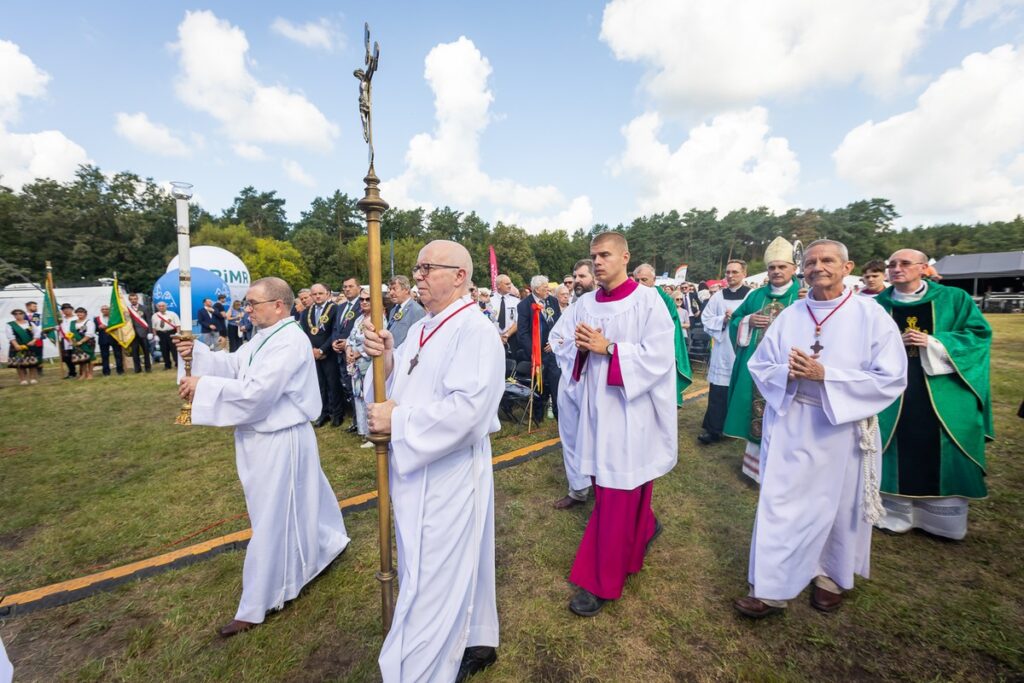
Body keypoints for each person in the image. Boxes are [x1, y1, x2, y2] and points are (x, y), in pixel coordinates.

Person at [733, 240, 907, 619]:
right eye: (810, 262)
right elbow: (761, 365)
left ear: (848, 267)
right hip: (793, 421)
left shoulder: (871, 316)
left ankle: (830, 576)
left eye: (827, 260)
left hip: (843, 427)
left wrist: (827, 376)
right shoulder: (791, 315)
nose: (817, 267)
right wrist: (788, 374)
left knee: (841, 506)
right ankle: (771, 587)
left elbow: (892, 377)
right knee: (781, 505)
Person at [174, 277, 350, 637]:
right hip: (263, 435)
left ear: (279, 305)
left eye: (254, 303)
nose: (247, 309)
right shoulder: (265, 336)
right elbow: (240, 365)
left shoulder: (289, 341)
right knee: (299, 502)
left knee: (271, 516)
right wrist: (199, 356)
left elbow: (258, 392)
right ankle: (321, 548)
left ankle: (257, 602)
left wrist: (203, 386)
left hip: (279, 436)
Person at [363, 240, 503, 683]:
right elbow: (402, 384)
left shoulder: (474, 330)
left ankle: (426, 668)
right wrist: (386, 356)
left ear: (460, 276)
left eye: (428, 268)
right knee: (452, 563)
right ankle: (477, 636)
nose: (417, 276)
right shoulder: (426, 327)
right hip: (421, 468)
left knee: (435, 576)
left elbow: (471, 412)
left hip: (450, 472)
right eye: (416, 268)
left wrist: (399, 421)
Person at [551, 232, 676, 617]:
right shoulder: (584, 303)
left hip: (629, 412)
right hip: (596, 410)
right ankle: (644, 529)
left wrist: (609, 349)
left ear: (625, 256)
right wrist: (579, 344)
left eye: (604, 255)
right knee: (613, 488)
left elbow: (659, 356)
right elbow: (559, 340)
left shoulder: (648, 301)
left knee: (620, 489)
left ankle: (600, 579)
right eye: (593, 256)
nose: (597, 262)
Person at [874, 249, 993, 540]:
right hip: (893, 392)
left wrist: (935, 342)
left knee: (945, 444)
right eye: (892, 265)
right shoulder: (876, 305)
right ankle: (894, 515)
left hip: (943, 389)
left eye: (904, 264)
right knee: (892, 445)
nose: (896, 269)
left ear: (923, 268)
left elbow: (979, 336)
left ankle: (942, 523)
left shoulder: (954, 299)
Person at [723, 237, 803, 483]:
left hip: (787, 367)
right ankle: (755, 469)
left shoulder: (802, 295)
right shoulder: (756, 296)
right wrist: (748, 322)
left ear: (793, 269)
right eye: (772, 267)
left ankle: (783, 470)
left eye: (782, 267)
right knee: (755, 412)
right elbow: (735, 320)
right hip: (757, 368)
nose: (776, 271)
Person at [548, 259, 597, 509]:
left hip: (597, 381)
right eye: (574, 277)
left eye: (582, 276)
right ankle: (577, 489)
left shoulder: (606, 307)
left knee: (598, 435)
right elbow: (555, 337)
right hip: (570, 378)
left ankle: (604, 486)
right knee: (569, 433)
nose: (576, 281)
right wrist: (574, 347)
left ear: (595, 277)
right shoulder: (572, 308)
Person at [698, 262, 751, 444]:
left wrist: (741, 319)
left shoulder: (751, 296)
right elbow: (706, 318)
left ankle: (736, 429)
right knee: (718, 391)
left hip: (742, 348)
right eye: (727, 272)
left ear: (744, 273)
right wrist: (724, 319)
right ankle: (714, 429)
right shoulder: (718, 296)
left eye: (735, 272)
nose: (730, 275)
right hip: (722, 348)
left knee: (739, 390)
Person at [634, 263, 692, 407]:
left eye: (644, 280)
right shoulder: (632, 297)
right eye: (637, 280)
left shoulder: (664, 300)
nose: (640, 284)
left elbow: (671, 329)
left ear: (654, 281)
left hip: (659, 353)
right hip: (636, 353)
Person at [516, 275, 561, 422]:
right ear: (536, 290)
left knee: (556, 383)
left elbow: (560, 324)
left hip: (553, 352)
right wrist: (534, 352)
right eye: (544, 288)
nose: (548, 290)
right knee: (539, 386)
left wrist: (554, 342)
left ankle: (559, 414)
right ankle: (538, 416)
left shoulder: (553, 301)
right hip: (536, 354)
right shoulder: (524, 305)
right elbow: (522, 333)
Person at [302, 283, 342, 428]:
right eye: (315, 294)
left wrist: (322, 350)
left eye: (320, 293)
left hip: (329, 353)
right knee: (319, 385)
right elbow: (304, 334)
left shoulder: (335, 309)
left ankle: (337, 414)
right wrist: (312, 350)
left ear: (327, 294)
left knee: (333, 384)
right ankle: (322, 413)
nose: (317, 296)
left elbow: (335, 331)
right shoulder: (306, 312)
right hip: (313, 354)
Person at [331, 277, 362, 430]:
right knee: (348, 388)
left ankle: (360, 422)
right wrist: (334, 342)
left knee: (358, 389)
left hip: (356, 353)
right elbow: (336, 327)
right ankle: (356, 421)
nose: (347, 289)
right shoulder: (341, 307)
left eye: (350, 286)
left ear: (358, 287)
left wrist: (347, 343)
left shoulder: (363, 304)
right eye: (345, 287)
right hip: (341, 354)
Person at [345, 289, 374, 448]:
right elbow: (351, 337)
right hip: (356, 365)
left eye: (367, 299)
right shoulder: (359, 319)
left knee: (369, 396)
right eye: (361, 300)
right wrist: (349, 350)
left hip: (369, 364)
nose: (363, 302)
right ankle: (363, 431)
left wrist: (359, 352)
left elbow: (376, 342)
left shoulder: (378, 318)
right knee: (359, 397)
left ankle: (373, 434)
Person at [385, 275, 426, 348]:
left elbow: (417, 340)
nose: (391, 293)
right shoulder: (394, 310)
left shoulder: (417, 310)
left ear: (406, 290)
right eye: (390, 289)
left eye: (394, 289)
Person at [5, 309, 41, 385]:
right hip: (18, 345)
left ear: (24, 314)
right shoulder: (10, 324)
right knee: (19, 363)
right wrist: (16, 345)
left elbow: (37, 333)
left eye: (20, 313)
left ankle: (32, 379)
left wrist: (33, 341)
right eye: (16, 314)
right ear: (14, 315)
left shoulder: (30, 323)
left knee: (32, 363)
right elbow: (10, 336)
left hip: (30, 345)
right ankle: (23, 380)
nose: (18, 315)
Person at [489, 274, 520, 359]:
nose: (510, 286)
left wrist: (506, 335)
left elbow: (518, 321)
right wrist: (498, 336)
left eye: (510, 283)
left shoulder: (516, 301)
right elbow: (486, 320)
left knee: (510, 365)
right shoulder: (489, 300)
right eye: (507, 284)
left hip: (511, 339)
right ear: (498, 285)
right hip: (493, 338)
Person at [94, 304, 125, 376]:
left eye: (106, 309)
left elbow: (119, 326)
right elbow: (95, 329)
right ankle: (106, 372)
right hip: (103, 339)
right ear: (101, 310)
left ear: (109, 310)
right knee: (104, 356)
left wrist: (108, 326)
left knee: (118, 354)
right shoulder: (97, 319)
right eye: (103, 309)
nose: (105, 310)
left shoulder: (114, 318)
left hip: (114, 337)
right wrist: (99, 327)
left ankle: (120, 371)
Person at [125, 293, 152, 373]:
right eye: (131, 299)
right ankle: (137, 369)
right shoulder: (127, 309)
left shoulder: (144, 308)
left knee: (146, 351)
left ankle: (148, 368)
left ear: (137, 299)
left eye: (135, 299)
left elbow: (149, 321)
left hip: (143, 333)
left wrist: (150, 332)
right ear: (129, 300)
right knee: (134, 352)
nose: (133, 300)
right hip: (133, 334)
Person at [151, 302, 180, 369]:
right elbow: (154, 327)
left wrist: (177, 333)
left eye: (163, 306)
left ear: (166, 306)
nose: (161, 307)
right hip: (161, 334)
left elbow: (178, 325)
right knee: (164, 350)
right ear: (157, 307)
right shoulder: (154, 316)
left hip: (171, 333)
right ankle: (167, 365)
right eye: (159, 306)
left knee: (174, 350)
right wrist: (155, 336)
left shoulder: (172, 314)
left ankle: (177, 364)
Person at [69, 307, 96, 380]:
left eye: (81, 312)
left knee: (90, 358)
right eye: (78, 312)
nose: (79, 314)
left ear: (85, 314)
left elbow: (90, 334)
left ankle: (90, 374)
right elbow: (70, 333)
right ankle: (83, 374)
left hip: (88, 343)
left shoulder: (89, 322)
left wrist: (81, 341)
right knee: (82, 359)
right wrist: (71, 341)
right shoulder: (73, 322)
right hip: (76, 343)